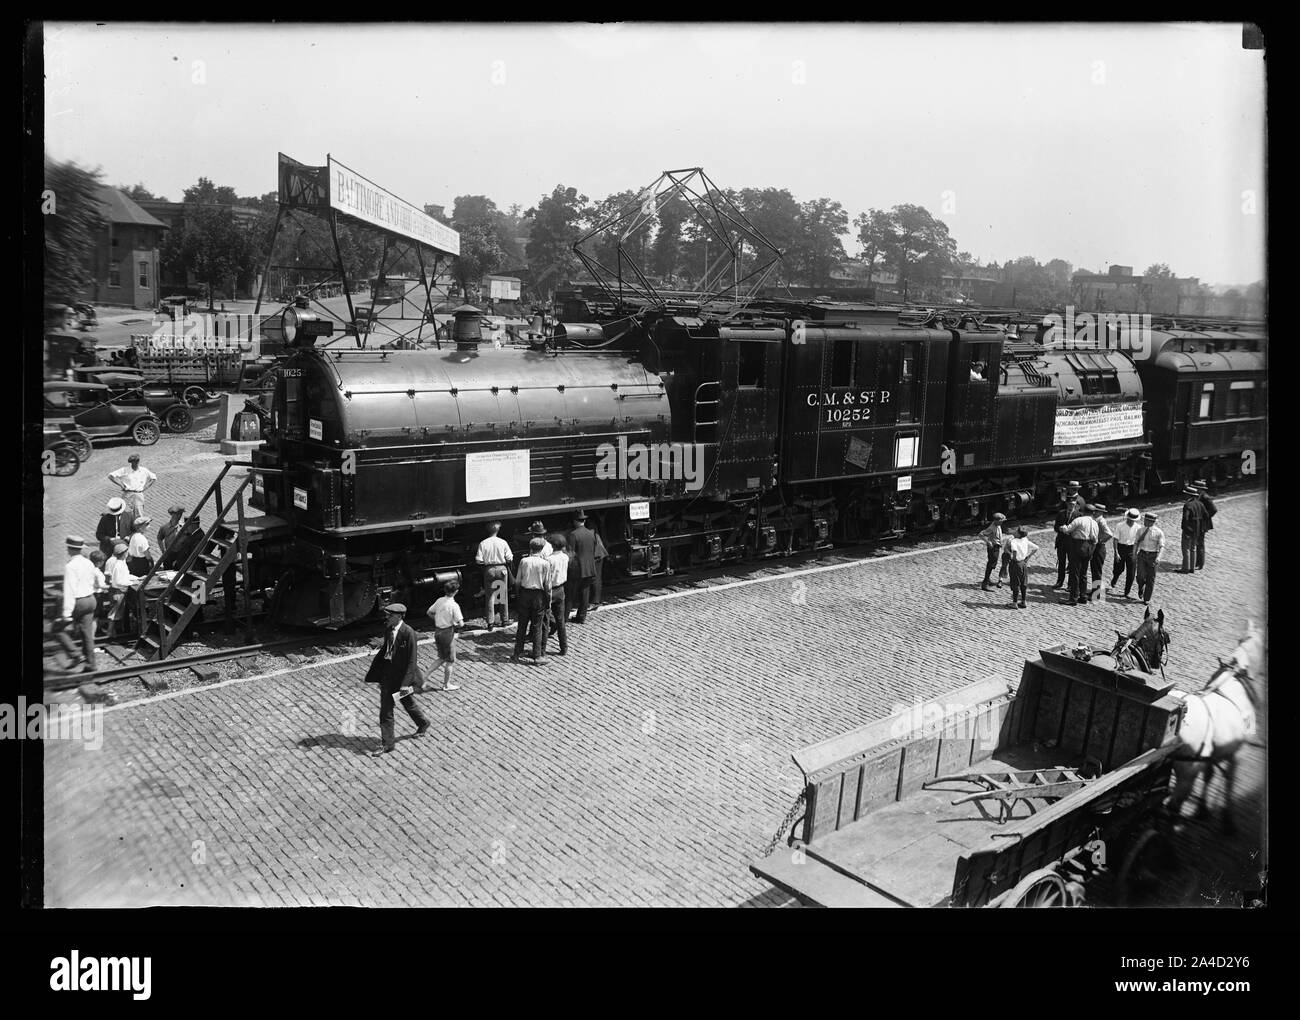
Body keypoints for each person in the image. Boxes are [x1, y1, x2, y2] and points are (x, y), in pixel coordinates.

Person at [363, 603, 430, 756]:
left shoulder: (408, 633)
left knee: (408, 703)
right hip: (388, 677)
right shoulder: (388, 629)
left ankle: (423, 723)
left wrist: (405, 685)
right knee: (386, 710)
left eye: (390, 615)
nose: (387, 618)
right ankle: (388, 744)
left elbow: (412, 661)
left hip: (402, 680)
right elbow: (385, 652)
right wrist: (379, 676)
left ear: (399, 617)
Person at [60, 536, 99, 673]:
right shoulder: (88, 563)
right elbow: (94, 578)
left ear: (70, 549)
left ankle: (75, 655)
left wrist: (66, 613)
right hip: (91, 599)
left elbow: (69, 590)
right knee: (87, 634)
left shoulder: (70, 566)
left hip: (79, 601)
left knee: (57, 629)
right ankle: (91, 664)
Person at [512, 537, 551, 664]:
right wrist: (548, 599)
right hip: (538, 596)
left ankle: (517, 652)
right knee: (537, 626)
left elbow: (517, 581)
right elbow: (547, 586)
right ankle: (537, 655)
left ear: (530, 548)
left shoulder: (524, 561)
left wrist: (519, 595)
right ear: (542, 549)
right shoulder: (545, 563)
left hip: (524, 593)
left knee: (522, 625)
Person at [474, 521, 514, 630]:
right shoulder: (503, 542)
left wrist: (486, 565)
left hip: (489, 569)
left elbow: (478, 560)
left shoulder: (483, 543)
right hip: (502, 569)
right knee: (502, 594)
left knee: (490, 596)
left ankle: (490, 622)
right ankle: (504, 620)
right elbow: (510, 557)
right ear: (498, 530)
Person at [425, 580, 463, 691]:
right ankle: (447, 685)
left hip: (438, 632)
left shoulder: (439, 600)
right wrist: (454, 624)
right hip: (447, 634)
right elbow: (461, 624)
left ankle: (425, 675)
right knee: (450, 660)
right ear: (456, 591)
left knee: (441, 657)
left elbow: (429, 612)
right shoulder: (454, 605)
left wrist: (437, 619)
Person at [1062, 504, 1099, 605]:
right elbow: (1095, 540)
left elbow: (1067, 529)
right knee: (1083, 573)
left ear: (1083, 511)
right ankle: (1083, 596)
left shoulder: (1079, 520)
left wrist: (1063, 528)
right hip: (1089, 548)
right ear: (1093, 513)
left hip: (1078, 546)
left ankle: (1073, 598)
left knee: (1075, 573)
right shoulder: (1095, 523)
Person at [103, 540, 139, 636]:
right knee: (115, 612)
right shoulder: (119, 565)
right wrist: (130, 582)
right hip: (118, 591)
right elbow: (119, 581)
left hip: (120, 590)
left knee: (118, 611)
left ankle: (113, 631)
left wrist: (137, 578)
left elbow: (125, 576)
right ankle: (110, 631)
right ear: (124, 553)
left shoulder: (122, 563)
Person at [567, 510, 597, 623]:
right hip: (589, 567)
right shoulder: (591, 533)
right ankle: (582, 617)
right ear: (584, 520)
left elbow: (571, 554)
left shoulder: (573, 535)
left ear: (575, 521)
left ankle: (564, 618)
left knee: (570, 594)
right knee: (585, 593)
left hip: (578, 569)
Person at [543, 534, 570, 656]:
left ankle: (541, 649)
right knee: (561, 620)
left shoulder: (549, 560)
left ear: (552, 546)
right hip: (561, 589)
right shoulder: (565, 557)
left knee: (545, 619)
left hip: (550, 590)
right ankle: (564, 647)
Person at [108, 454, 158, 518]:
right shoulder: (124, 470)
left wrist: (145, 488)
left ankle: (138, 527)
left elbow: (153, 478)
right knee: (125, 514)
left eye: (137, 461)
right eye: (134, 461)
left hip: (138, 495)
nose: (136, 463)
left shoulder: (143, 470)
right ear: (131, 462)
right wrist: (121, 484)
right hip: (128, 494)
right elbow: (111, 476)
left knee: (139, 515)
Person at [1133, 511, 1166, 606]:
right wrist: (1135, 553)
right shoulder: (1140, 531)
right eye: (1145, 519)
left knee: (1150, 578)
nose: (1144, 521)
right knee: (1140, 576)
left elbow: (1162, 546)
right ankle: (1141, 586)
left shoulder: (1158, 532)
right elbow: (1136, 542)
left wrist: (1159, 557)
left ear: (1152, 522)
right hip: (1142, 555)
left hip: (1153, 556)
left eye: (1147, 520)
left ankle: (1147, 598)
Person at [1004, 526, 1039, 609]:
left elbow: (1015, 550)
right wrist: (1028, 557)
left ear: (1018, 534)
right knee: (1023, 583)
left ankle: (1014, 603)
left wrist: (1013, 557)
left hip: (1016, 563)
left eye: (1016, 531)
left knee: (1015, 582)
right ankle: (1023, 601)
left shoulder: (1014, 541)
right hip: (1023, 563)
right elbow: (1036, 548)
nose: (1014, 532)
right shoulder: (1025, 539)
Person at [1110, 508, 1141, 598]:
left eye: (1133, 520)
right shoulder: (1120, 525)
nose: (1131, 522)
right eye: (1130, 520)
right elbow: (1115, 539)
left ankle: (1127, 591)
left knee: (1131, 572)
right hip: (1121, 547)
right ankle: (1115, 577)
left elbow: (1138, 541)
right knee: (1118, 568)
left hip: (1132, 549)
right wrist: (1116, 552)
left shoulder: (1138, 528)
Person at [1179, 486, 1208, 574]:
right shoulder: (1200, 504)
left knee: (1186, 549)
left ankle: (1185, 568)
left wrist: (1185, 529)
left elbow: (1185, 519)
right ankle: (1192, 568)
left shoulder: (1187, 505)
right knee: (1193, 548)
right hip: (1197, 530)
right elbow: (1206, 515)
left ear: (1188, 495)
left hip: (1188, 529)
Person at [978, 513, 1007, 591]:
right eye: (1001, 521)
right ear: (996, 521)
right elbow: (981, 534)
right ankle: (985, 583)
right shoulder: (992, 527)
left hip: (996, 547)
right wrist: (988, 542)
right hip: (993, 548)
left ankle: (988, 579)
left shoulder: (998, 525)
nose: (1002, 522)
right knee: (991, 564)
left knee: (992, 563)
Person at [1193, 480, 1217, 571]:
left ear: (1200, 489)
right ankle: (1198, 562)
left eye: (1197, 488)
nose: (1196, 489)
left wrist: (1205, 517)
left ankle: (1200, 564)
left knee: (1200, 544)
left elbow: (1214, 509)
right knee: (1198, 543)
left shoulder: (1205, 497)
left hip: (1203, 524)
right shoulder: (1200, 496)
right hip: (1200, 523)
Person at [1088, 504, 1112, 586]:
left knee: (1097, 571)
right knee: (1094, 570)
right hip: (1096, 547)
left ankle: (1096, 594)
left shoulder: (1101, 521)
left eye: (1096, 511)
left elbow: (1109, 534)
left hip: (1099, 548)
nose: (1094, 512)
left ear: (1101, 512)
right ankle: (1094, 591)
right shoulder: (1096, 520)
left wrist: (1101, 541)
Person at [591, 528, 607, 610]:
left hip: (596, 554)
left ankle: (595, 601)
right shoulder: (592, 531)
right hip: (598, 553)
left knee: (595, 578)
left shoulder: (589, 532)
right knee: (597, 577)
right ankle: (595, 600)